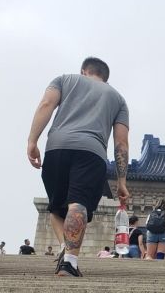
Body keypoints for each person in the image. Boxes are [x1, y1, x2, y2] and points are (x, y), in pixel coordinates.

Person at [27, 56, 129, 278]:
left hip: (56, 148)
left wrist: (32, 141)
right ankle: (69, 262)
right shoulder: (117, 98)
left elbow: (46, 104)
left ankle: (66, 247)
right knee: (79, 204)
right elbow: (121, 142)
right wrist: (121, 181)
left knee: (56, 207)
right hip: (91, 152)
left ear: (84, 71)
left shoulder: (64, 80)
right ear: (105, 77)